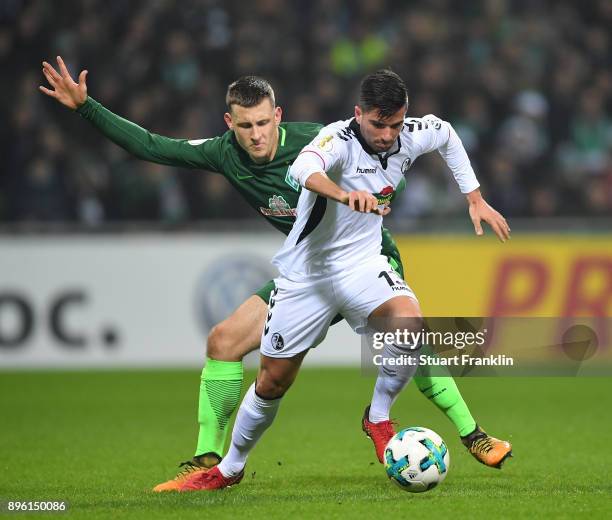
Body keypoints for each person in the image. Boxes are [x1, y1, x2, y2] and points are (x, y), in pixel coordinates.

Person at [40, 59, 512, 491]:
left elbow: (412, 153)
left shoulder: (321, 136)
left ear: (278, 116)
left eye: (264, 123)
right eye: (245, 125)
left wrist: (460, 194)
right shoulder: (229, 153)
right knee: (239, 355)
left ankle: (461, 430)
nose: (256, 135)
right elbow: (151, 146)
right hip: (304, 271)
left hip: (367, 260)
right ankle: (213, 459)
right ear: (231, 124)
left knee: (410, 337)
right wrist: (87, 109)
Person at [179, 69, 512, 491]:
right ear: (359, 115)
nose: (388, 135)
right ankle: (227, 467)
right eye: (378, 124)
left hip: (362, 265)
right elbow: (303, 169)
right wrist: (342, 194)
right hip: (307, 277)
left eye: (395, 124)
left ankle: (378, 417)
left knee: (410, 326)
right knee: (272, 381)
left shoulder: (409, 133)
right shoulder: (336, 140)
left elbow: (445, 133)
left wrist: (475, 197)